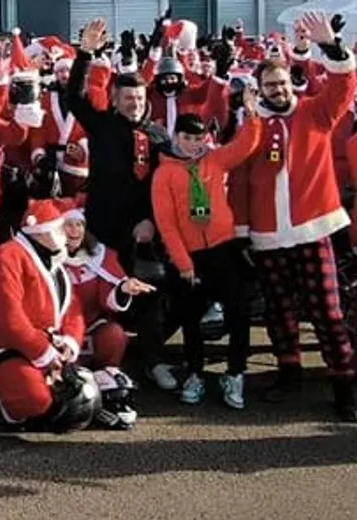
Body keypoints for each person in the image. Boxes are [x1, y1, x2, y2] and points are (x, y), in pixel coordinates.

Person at [238, 12, 357, 421]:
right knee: (279, 309)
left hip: (314, 228)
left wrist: (330, 48)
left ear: (292, 82)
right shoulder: (252, 127)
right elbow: (238, 181)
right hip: (268, 234)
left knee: (327, 309)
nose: (277, 89)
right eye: (270, 85)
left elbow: (343, 86)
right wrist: (241, 232)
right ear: (261, 89)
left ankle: (344, 383)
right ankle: (289, 372)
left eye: (282, 82)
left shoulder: (315, 113)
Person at [68, 18, 176, 390]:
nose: (134, 104)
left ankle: (153, 361)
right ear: (115, 99)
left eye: (140, 99)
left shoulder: (160, 135)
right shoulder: (102, 126)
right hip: (102, 228)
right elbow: (73, 99)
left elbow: (170, 185)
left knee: (149, 297)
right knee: (96, 293)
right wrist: (85, 54)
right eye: (128, 98)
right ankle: (89, 356)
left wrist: (152, 222)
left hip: (143, 233)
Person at [0, 200, 152, 430]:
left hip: (49, 344)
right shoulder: (7, 257)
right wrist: (45, 354)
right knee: (36, 399)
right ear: (41, 233)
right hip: (9, 347)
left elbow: (72, 309)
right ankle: (14, 409)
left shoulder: (53, 261)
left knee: (106, 348)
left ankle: (73, 382)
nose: (67, 235)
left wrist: (70, 343)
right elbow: (8, 318)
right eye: (60, 228)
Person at [152, 102, 261, 409]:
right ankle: (195, 372)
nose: (194, 144)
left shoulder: (214, 160)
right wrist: (183, 262)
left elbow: (244, 146)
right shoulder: (164, 174)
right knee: (190, 318)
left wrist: (251, 116)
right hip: (190, 256)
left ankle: (235, 372)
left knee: (238, 312)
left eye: (199, 139)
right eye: (187, 138)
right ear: (176, 138)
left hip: (223, 249)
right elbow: (166, 223)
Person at [61, 205, 155, 429]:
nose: (74, 230)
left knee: (114, 335)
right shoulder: (45, 257)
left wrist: (123, 289)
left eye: (79, 224)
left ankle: (108, 383)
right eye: (68, 225)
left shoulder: (100, 256)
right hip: (58, 333)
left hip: (93, 326)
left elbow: (108, 295)